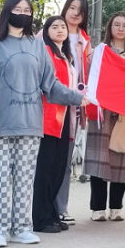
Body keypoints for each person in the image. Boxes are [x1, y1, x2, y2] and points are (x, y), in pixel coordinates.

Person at [0, 0, 89, 248]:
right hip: (0, 126)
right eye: (18, 9)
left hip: (31, 126)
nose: (23, 14)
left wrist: (76, 97)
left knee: (25, 180)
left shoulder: (37, 46)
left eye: (27, 10)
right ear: (8, 12)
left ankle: (22, 227)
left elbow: (50, 85)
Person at [84, 12, 125, 222]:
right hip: (101, 111)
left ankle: (116, 207)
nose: (120, 29)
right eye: (116, 25)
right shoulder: (99, 52)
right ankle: (98, 208)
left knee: (122, 159)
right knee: (99, 158)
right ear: (109, 27)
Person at [32, 16, 80, 233]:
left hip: (65, 118)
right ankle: (40, 218)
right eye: (54, 27)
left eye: (63, 27)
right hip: (48, 118)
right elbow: (51, 86)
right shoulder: (45, 52)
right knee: (45, 170)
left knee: (58, 168)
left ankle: (52, 214)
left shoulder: (66, 56)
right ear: (46, 31)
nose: (60, 30)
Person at [54, 0, 91, 226]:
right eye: (72, 7)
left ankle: (61, 208)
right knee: (47, 160)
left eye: (81, 10)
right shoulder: (48, 33)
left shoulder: (85, 42)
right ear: (65, 8)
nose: (76, 13)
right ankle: (43, 208)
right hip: (50, 107)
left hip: (73, 109)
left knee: (65, 161)